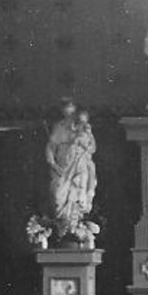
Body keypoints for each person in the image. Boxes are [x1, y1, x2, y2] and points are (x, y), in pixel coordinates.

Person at [45, 101, 99, 246]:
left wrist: (83, 138)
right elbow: (51, 147)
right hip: (62, 168)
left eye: (71, 111)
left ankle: (74, 226)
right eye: (66, 110)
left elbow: (91, 148)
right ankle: (63, 226)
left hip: (79, 168)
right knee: (58, 196)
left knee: (78, 196)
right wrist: (53, 164)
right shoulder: (59, 127)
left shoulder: (83, 129)